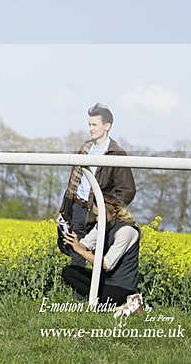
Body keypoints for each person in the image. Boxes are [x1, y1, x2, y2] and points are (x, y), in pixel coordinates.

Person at [58, 103, 136, 266]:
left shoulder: (116, 153)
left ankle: (97, 292)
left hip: (98, 212)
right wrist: (64, 212)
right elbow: (73, 184)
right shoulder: (86, 148)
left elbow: (127, 190)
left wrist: (108, 210)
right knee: (76, 256)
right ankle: (78, 292)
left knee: (99, 258)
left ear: (107, 126)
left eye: (94, 124)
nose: (91, 128)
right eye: (89, 124)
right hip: (78, 208)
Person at [61, 194, 142, 308]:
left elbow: (106, 264)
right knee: (68, 271)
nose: (97, 219)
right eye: (95, 215)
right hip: (103, 281)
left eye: (100, 216)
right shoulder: (102, 224)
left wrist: (79, 250)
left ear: (114, 213)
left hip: (120, 286)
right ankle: (116, 306)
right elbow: (85, 245)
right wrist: (72, 243)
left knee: (98, 301)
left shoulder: (127, 231)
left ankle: (126, 303)